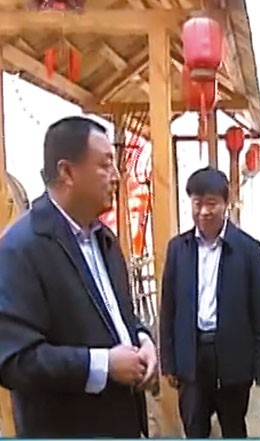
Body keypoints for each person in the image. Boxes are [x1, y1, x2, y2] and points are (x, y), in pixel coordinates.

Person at [0, 116, 157, 437]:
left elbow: (120, 315)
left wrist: (142, 339)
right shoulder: (20, 249)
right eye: (105, 165)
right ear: (67, 172)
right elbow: (15, 360)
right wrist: (103, 365)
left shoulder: (105, 239)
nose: (116, 176)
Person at [160, 167, 260, 438]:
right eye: (197, 203)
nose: (203, 211)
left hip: (233, 359)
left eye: (211, 203)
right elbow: (168, 308)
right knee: (194, 427)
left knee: (233, 427)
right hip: (191, 355)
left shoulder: (248, 249)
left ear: (226, 203)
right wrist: (169, 361)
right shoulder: (178, 249)